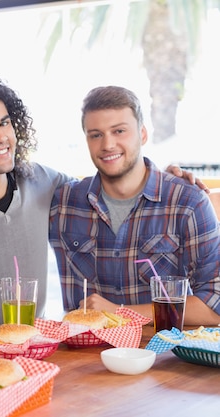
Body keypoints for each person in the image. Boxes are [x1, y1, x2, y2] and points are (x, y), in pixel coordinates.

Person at [0, 77, 206, 326]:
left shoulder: (43, 183)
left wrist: (171, 181)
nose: (1, 136)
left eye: (4, 123)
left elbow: (115, 181)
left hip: (36, 346)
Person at [48, 85, 220, 324]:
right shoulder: (63, 203)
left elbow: (213, 307)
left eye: (119, 131)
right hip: (83, 356)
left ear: (143, 134)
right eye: (96, 134)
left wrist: (117, 313)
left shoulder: (187, 203)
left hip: (162, 356)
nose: (107, 144)